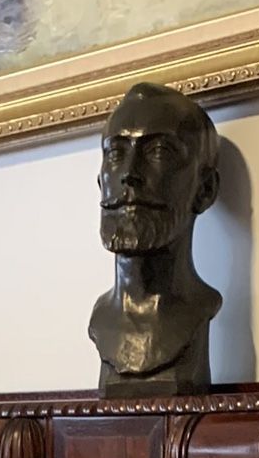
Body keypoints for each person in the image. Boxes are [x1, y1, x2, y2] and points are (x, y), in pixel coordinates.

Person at [88, 82, 222, 397]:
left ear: (204, 190)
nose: (129, 174)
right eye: (116, 153)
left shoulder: (199, 310)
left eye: (159, 152)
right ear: (99, 183)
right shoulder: (100, 318)